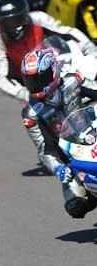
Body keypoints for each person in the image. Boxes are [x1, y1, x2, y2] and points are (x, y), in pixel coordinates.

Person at [20, 47, 97, 218]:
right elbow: (45, 151)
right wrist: (60, 168)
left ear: (53, 71)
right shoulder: (32, 113)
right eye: (31, 80)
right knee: (75, 206)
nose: (37, 84)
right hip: (73, 158)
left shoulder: (74, 82)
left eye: (41, 78)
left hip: (94, 133)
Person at [0, 0, 97, 102]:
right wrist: (25, 94)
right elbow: (2, 78)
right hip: (34, 88)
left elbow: (67, 32)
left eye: (15, 21)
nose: (11, 27)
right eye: (6, 23)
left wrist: (90, 49)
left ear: (25, 17)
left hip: (56, 67)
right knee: (39, 117)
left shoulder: (38, 19)